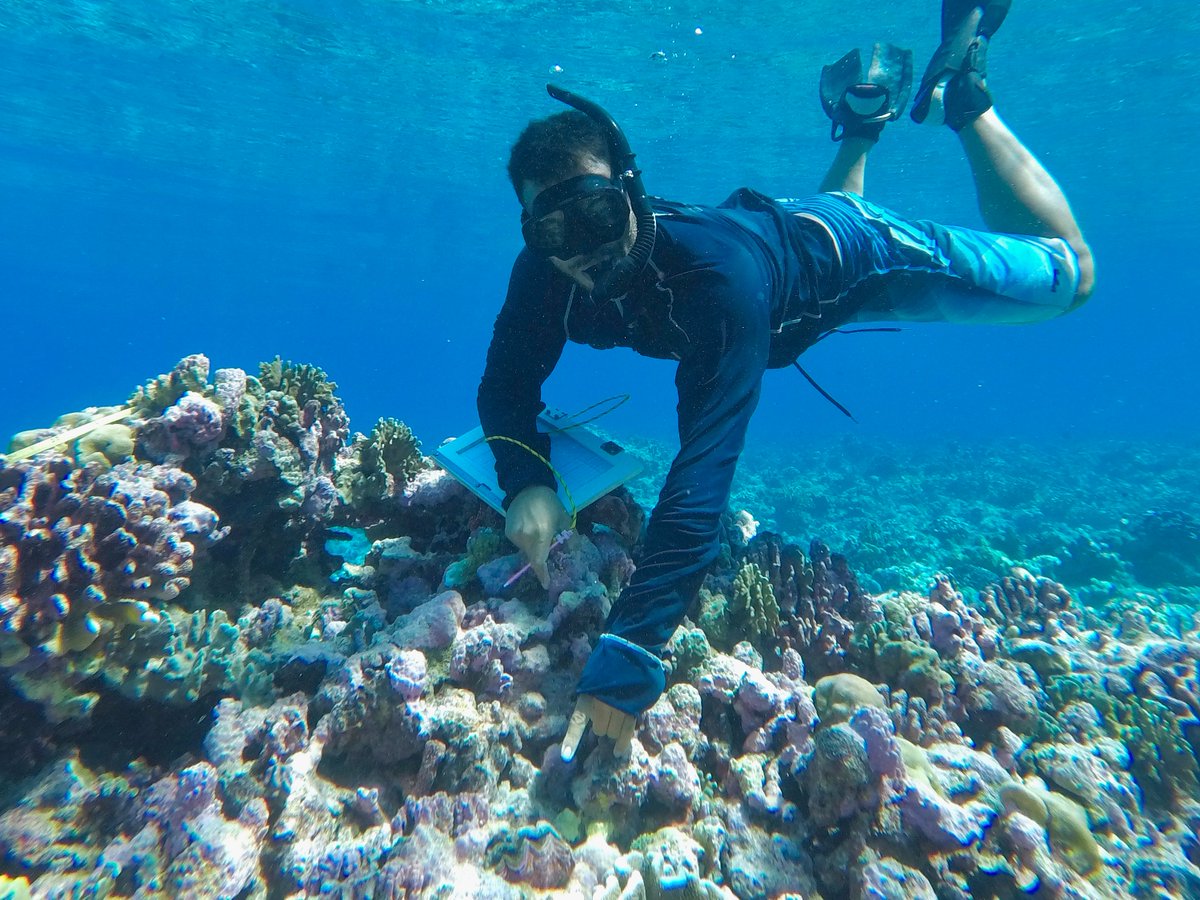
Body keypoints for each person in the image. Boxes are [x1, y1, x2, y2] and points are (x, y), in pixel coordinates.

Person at [477, 0, 1095, 761]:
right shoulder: (544, 276)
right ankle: (862, 123)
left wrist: (631, 650)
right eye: (550, 230)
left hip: (858, 256)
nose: (580, 249)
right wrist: (526, 481)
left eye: (598, 215)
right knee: (834, 206)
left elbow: (701, 476)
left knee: (1072, 277)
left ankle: (967, 101)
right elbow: (504, 387)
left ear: (631, 191)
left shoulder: (715, 285)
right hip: (784, 229)